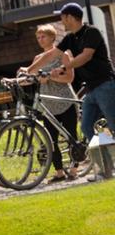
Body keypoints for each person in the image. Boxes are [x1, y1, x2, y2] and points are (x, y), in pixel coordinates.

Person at [26, 2, 115, 143]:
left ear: (70, 17)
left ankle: (109, 151)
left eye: (62, 17)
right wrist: (29, 69)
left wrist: (62, 68)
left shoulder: (91, 32)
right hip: (90, 90)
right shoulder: (70, 38)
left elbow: (86, 56)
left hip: (105, 86)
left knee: (113, 124)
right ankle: (108, 158)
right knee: (87, 128)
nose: (61, 21)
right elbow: (50, 55)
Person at [28, 24, 78, 182]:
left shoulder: (62, 54)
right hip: (48, 104)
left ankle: (74, 168)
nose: (40, 40)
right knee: (51, 140)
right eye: (38, 37)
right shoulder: (37, 59)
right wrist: (15, 80)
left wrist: (49, 77)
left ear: (52, 37)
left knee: (71, 136)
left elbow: (69, 78)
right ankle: (59, 172)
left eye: (43, 36)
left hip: (65, 101)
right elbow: (32, 78)